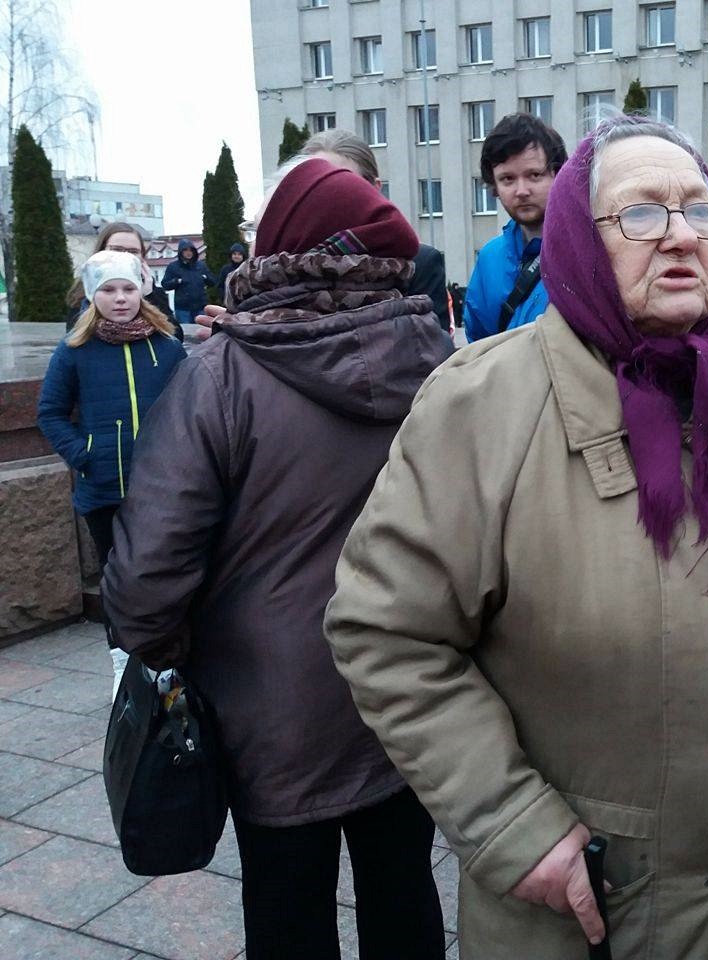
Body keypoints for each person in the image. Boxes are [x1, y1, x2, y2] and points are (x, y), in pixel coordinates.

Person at [324, 115, 708, 960]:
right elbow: (388, 631)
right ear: (576, 241)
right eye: (640, 214)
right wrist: (512, 824)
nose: (679, 236)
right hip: (583, 906)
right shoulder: (479, 407)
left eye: (700, 212)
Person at [100, 157, 455, 960]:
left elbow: (148, 574)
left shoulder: (222, 376)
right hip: (416, 689)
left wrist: (168, 654)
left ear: (283, 241)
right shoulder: (439, 361)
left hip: (270, 707)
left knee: (286, 909)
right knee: (405, 887)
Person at [37, 250, 185, 691]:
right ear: (91, 294)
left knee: (164, 574)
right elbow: (50, 413)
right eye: (108, 289)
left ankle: (168, 662)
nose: (120, 298)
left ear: (141, 289)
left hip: (162, 490)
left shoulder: (168, 346)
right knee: (116, 580)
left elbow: (191, 407)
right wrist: (86, 453)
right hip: (104, 489)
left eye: (127, 288)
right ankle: (123, 662)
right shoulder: (75, 351)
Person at [298, 129, 448, 329]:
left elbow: (431, 350)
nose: (329, 198)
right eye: (316, 186)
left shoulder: (417, 263)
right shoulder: (286, 262)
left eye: (343, 185)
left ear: (374, 188)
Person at [462, 112, 567, 340]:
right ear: (494, 187)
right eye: (507, 179)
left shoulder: (587, 251)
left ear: (558, 175)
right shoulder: (490, 258)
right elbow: (478, 347)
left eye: (534, 175)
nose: (521, 190)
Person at [65, 221, 178, 332]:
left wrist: (149, 296)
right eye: (117, 249)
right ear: (101, 251)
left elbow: (175, 335)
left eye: (133, 251)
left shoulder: (153, 290)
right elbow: (74, 336)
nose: (125, 256)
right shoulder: (84, 290)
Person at [160, 237, 217, 325]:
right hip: (183, 308)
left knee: (201, 331)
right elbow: (165, 285)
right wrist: (177, 281)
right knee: (186, 333)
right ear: (180, 252)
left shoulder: (201, 266)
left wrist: (206, 278)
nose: (188, 253)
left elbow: (213, 282)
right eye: (185, 250)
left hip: (200, 306)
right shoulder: (173, 267)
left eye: (191, 250)